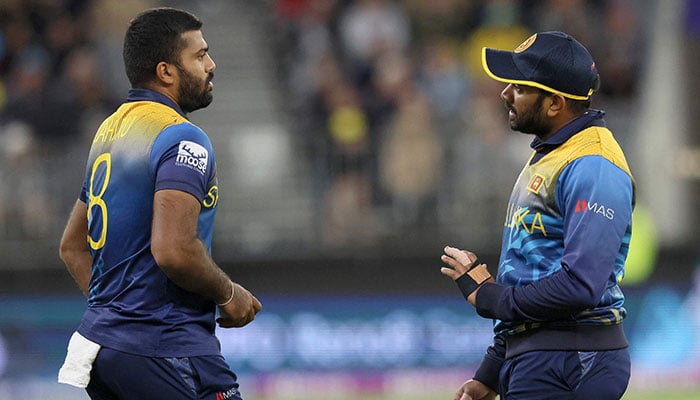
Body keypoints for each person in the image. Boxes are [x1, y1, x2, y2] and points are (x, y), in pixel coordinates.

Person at [57, 7, 262, 400]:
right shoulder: (183, 138)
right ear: (167, 71)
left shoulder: (111, 130)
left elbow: (72, 246)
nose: (211, 65)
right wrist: (228, 293)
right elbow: (174, 250)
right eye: (199, 55)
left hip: (105, 350)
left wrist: (118, 320)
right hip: (167, 348)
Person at [440, 31, 634, 400]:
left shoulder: (593, 165)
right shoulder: (550, 152)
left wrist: (489, 297)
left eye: (519, 87)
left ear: (555, 103)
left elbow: (580, 285)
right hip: (545, 356)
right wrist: (493, 369)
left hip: (571, 359)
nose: (504, 93)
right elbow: (533, 267)